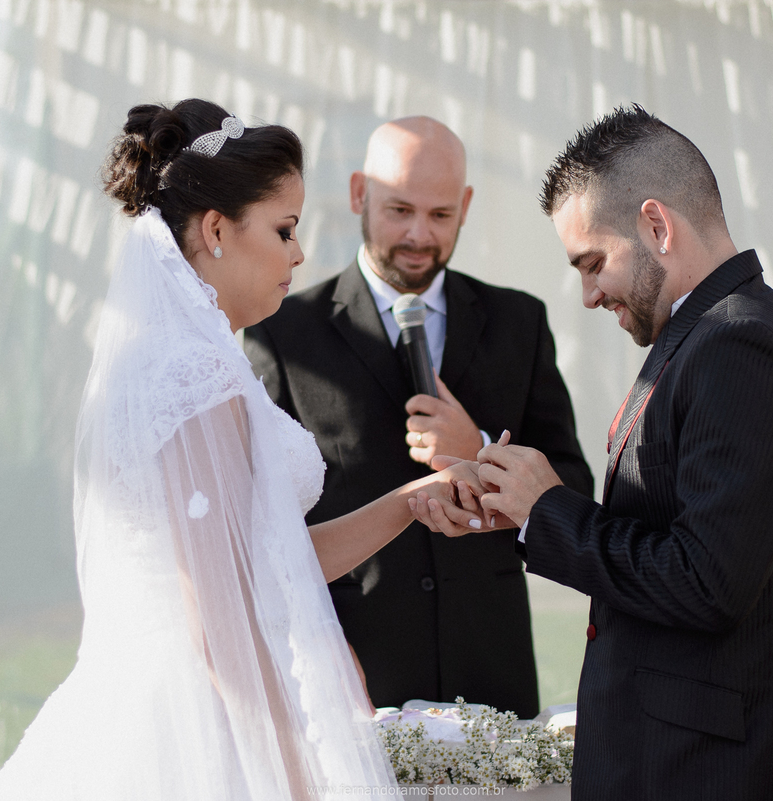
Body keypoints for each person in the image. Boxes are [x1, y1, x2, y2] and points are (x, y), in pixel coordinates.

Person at [0, 100, 481, 800]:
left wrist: (405, 504)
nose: (299, 254)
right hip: (194, 731)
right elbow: (220, 622)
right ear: (216, 229)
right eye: (284, 229)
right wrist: (299, 777)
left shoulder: (182, 361)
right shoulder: (193, 376)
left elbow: (262, 558)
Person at [411, 106, 773, 800]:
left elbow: (706, 580)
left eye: (593, 262)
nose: (586, 294)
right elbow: (665, 540)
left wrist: (548, 511)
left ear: (656, 225)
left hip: (708, 771)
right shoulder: (695, 338)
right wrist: (523, 510)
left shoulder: (743, 346)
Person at [243, 116, 593, 718]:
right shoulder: (282, 334)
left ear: (466, 205)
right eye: (399, 210)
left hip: (492, 673)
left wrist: (480, 448)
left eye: (439, 215)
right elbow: (261, 522)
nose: (418, 235)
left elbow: (575, 488)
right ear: (359, 193)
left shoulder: (520, 323)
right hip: (354, 672)